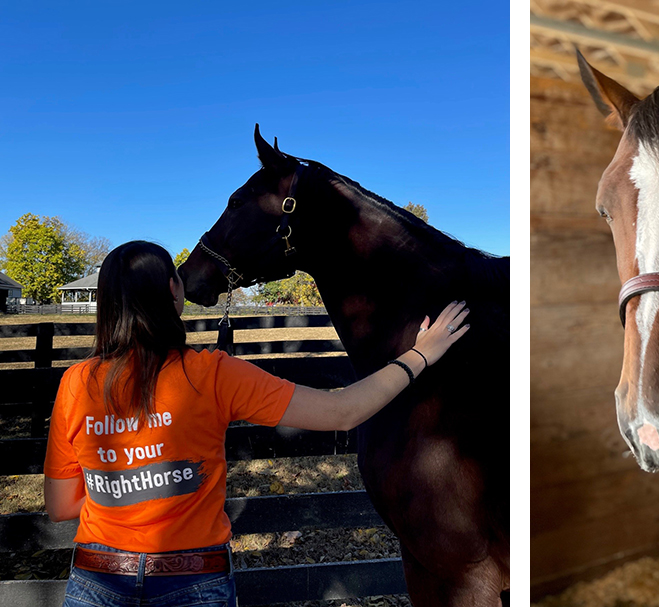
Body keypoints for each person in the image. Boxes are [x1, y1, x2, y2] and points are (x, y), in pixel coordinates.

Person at [43, 240, 471, 607]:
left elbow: (62, 505)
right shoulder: (213, 374)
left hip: (96, 578)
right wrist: (420, 356)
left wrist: (130, 488)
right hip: (192, 578)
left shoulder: (75, 383)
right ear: (173, 291)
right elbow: (342, 411)